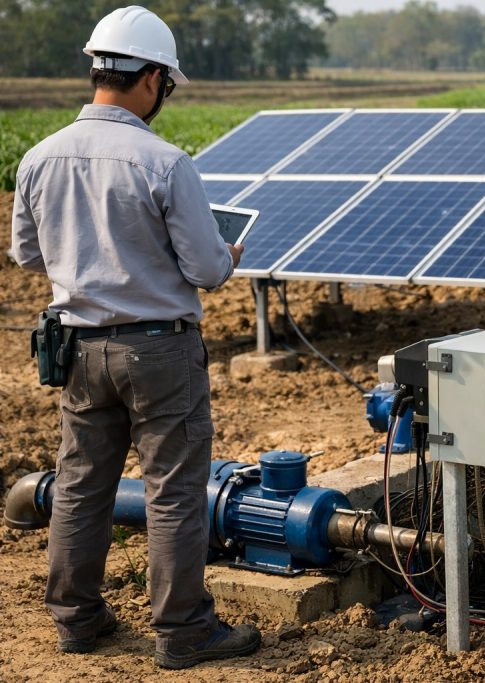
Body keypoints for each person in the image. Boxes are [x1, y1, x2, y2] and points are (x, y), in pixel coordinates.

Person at [10, 5, 261, 670]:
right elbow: (207, 269)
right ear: (150, 78)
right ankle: (182, 631)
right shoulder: (165, 162)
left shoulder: (39, 157)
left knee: (80, 483)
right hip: (159, 350)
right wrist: (228, 254)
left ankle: (76, 618)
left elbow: (27, 255)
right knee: (174, 489)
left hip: (79, 348)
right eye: (166, 86)